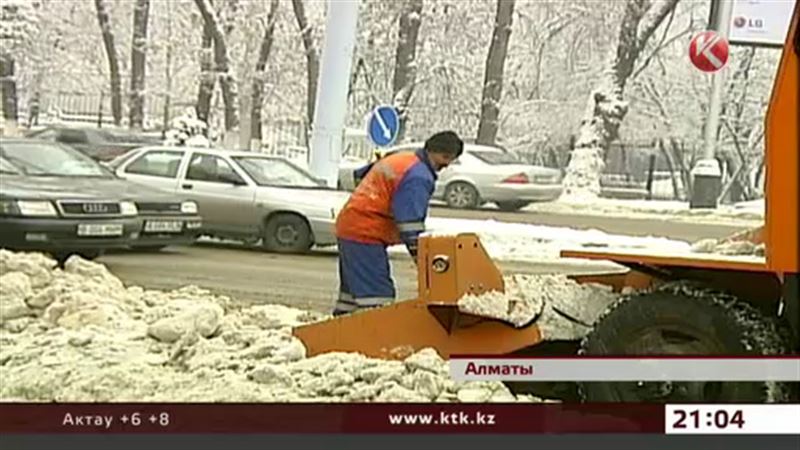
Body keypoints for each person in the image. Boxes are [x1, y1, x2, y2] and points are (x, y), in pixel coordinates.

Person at [332, 131, 464, 316]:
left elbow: (360, 176)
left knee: (352, 295)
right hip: (366, 231)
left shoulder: (401, 159)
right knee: (377, 297)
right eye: (445, 157)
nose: (447, 163)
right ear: (432, 151)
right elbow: (410, 223)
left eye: (451, 159)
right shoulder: (419, 176)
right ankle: (372, 340)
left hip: (351, 225)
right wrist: (424, 260)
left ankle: (337, 336)